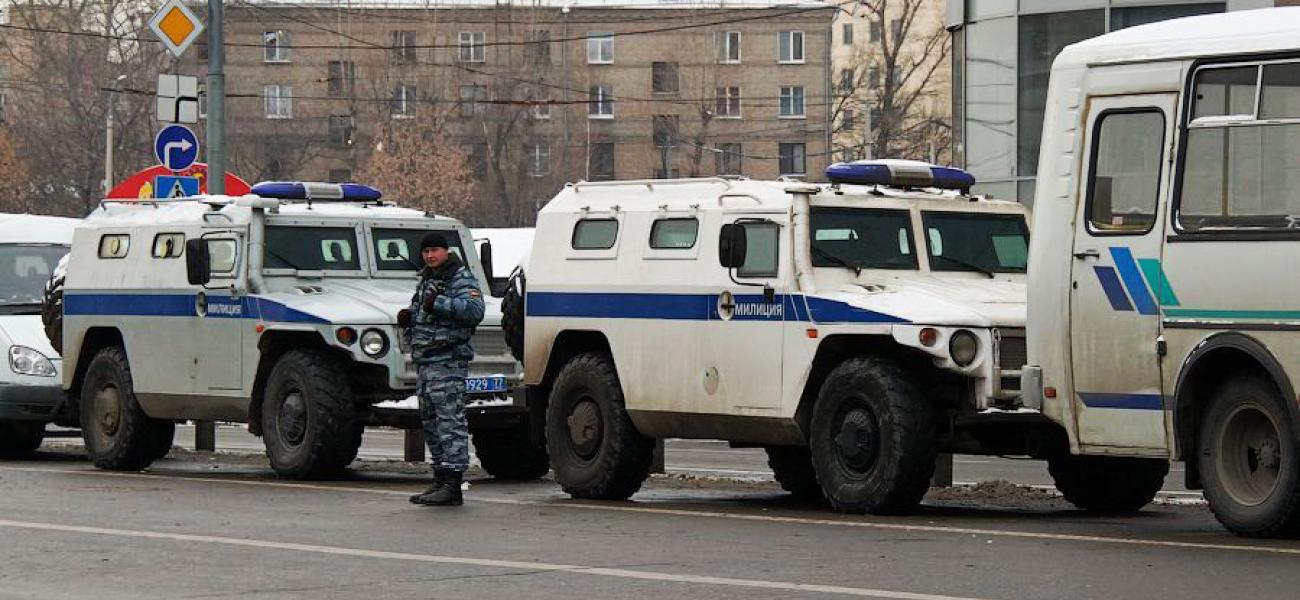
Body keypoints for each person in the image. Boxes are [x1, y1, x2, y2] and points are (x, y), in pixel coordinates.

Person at [398, 232, 485, 506]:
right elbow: (421, 309)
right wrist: (409, 318)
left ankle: (453, 483)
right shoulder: (428, 279)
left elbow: (474, 310)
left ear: (446, 251)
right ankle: (440, 477)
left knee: (450, 423)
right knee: (431, 422)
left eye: (435, 250)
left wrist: (439, 304)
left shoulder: (460, 278)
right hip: (427, 362)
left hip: (447, 361)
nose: (430, 255)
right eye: (426, 251)